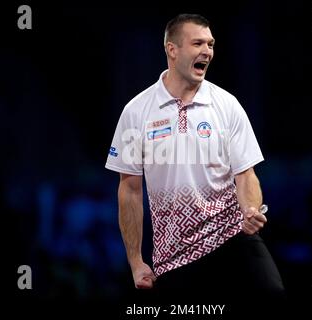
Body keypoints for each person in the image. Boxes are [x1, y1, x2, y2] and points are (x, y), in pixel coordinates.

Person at [106, 13, 285, 306]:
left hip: (231, 236)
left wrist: (250, 209)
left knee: (272, 294)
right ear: (172, 50)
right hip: (175, 256)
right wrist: (136, 261)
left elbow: (245, 174)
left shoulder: (227, 105)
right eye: (198, 43)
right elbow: (129, 189)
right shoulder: (136, 112)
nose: (208, 51)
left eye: (211, 44)